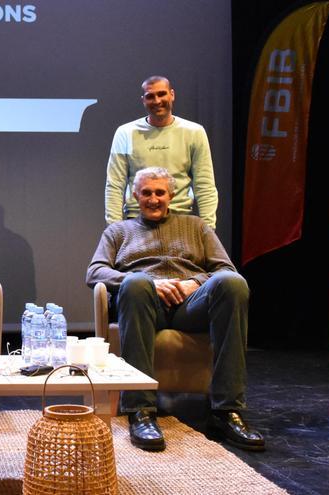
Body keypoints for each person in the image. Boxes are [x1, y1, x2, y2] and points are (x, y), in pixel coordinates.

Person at [86, 167, 264, 452]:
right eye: (146, 193)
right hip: (144, 306)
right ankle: (140, 410)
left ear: (172, 196)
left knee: (232, 283)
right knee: (136, 283)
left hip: (189, 307)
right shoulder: (118, 232)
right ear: (135, 195)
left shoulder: (197, 227)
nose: (153, 199)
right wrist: (150, 283)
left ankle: (226, 411)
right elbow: (95, 273)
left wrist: (194, 282)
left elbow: (224, 268)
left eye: (160, 193)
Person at [104, 75, 218, 229]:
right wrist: (114, 229)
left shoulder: (194, 132)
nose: (157, 101)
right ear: (143, 100)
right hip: (136, 220)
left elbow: (204, 184)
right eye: (150, 96)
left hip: (180, 217)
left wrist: (208, 229)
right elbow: (115, 184)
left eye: (161, 94)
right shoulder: (125, 133)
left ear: (172, 94)